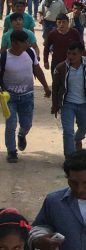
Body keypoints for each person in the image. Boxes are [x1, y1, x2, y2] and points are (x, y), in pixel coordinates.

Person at [2, 30, 51, 162]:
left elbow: (37, 70)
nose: (28, 44)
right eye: (24, 42)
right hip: (9, 97)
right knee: (10, 125)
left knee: (27, 124)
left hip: (27, 96)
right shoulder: (3, 57)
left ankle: (22, 134)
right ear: (14, 43)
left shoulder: (30, 53)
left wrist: (46, 87)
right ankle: (12, 151)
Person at [50, 41, 86, 157]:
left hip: (84, 104)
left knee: (84, 128)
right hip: (67, 104)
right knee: (68, 131)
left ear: (81, 53)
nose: (70, 56)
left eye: (74, 54)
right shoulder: (60, 68)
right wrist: (55, 105)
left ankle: (76, 139)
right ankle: (69, 157)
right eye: (69, 53)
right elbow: (55, 88)